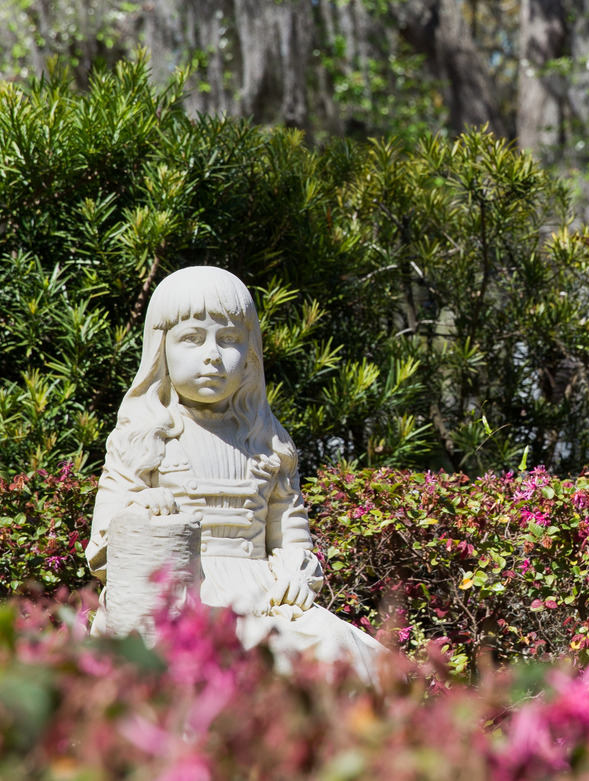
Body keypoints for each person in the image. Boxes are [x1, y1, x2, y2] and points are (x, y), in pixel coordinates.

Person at [85, 265, 382, 678]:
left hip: (262, 594)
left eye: (228, 339)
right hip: (182, 595)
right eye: (192, 338)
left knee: (338, 644)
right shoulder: (142, 436)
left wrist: (296, 572)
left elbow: (290, 529)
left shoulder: (266, 440)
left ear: (250, 353)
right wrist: (141, 510)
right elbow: (105, 541)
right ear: (161, 348)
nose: (212, 354)